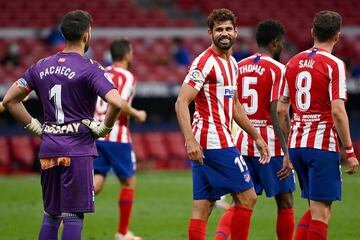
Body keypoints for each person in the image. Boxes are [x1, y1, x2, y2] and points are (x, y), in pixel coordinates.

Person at [2, 10, 131, 240]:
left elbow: (10, 100)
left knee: (51, 215)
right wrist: (104, 128)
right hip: (77, 151)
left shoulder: (40, 66)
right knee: (72, 216)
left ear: (63, 34)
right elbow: (116, 102)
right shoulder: (90, 68)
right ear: (86, 35)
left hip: (49, 149)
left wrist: (35, 127)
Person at [175, 8, 270, 240]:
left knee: (203, 206)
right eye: (219, 29)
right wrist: (190, 141)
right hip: (213, 141)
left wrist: (255, 136)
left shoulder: (233, 64)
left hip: (213, 141)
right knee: (248, 198)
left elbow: (235, 104)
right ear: (210, 33)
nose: (224, 33)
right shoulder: (204, 63)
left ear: (236, 32)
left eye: (228, 28)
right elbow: (181, 102)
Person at [277, 10, 359, 240]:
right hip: (321, 146)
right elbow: (337, 111)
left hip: (297, 146)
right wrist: (350, 151)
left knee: (317, 209)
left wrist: (288, 146)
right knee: (322, 213)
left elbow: (282, 109)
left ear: (312, 32)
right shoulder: (334, 64)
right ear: (337, 37)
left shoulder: (291, 63)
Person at [214, 19, 295, 240]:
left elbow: (230, 104)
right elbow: (278, 111)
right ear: (276, 43)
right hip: (271, 146)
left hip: (242, 142)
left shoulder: (238, 66)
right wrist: (288, 151)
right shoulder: (279, 69)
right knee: (286, 201)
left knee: (239, 202)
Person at [93, 38, 146, 240]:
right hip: (116, 134)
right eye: (131, 52)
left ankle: (66, 209)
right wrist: (137, 114)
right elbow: (120, 103)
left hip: (96, 133)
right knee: (129, 182)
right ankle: (123, 233)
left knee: (96, 183)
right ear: (126, 55)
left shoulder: (101, 72)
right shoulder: (127, 76)